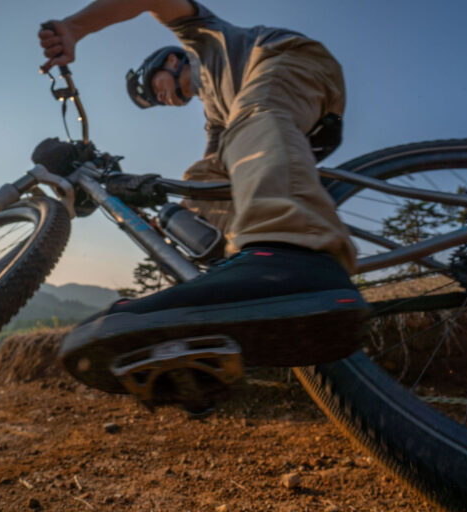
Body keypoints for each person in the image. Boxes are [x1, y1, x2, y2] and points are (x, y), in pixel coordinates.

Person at [39, 0, 368, 394]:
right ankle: (226, 296)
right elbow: (206, 179)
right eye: (152, 101)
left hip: (288, 61)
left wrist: (76, 28)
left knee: (252, 118)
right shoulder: (217, 116)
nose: (157, 99)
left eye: (151, 87)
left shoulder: (201, 38)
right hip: (260, 115)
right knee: (201, 184)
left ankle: (288, 256)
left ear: (170, 60)